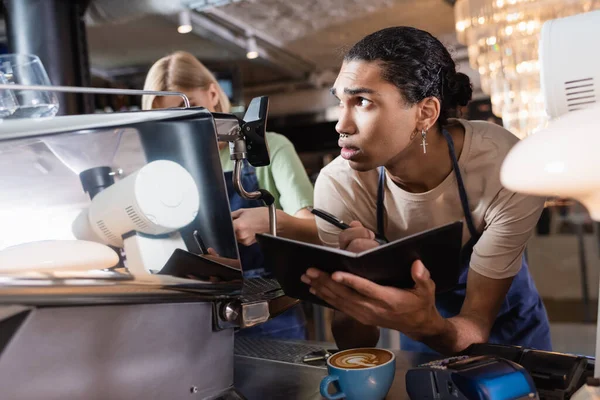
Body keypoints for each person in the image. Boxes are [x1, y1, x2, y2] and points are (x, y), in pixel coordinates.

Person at [301, 27, 551, 354]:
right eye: (340, 102)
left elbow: (476, 324)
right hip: (420, 332)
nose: (341, 125)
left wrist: (426, 324)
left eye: (362, 101)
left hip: (513, 330)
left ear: (425, 113)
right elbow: (354, 343)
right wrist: (356, 285)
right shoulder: (340, 186)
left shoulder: (505, 166)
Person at [142, 51, 318, 339]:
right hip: (200, 319)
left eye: (189, 109)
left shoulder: (272, 147)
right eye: (170, 118)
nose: (183, 126)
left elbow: (318, 231)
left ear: (213, 93)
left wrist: (271, 221)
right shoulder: (168, 170)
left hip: (272, 318)